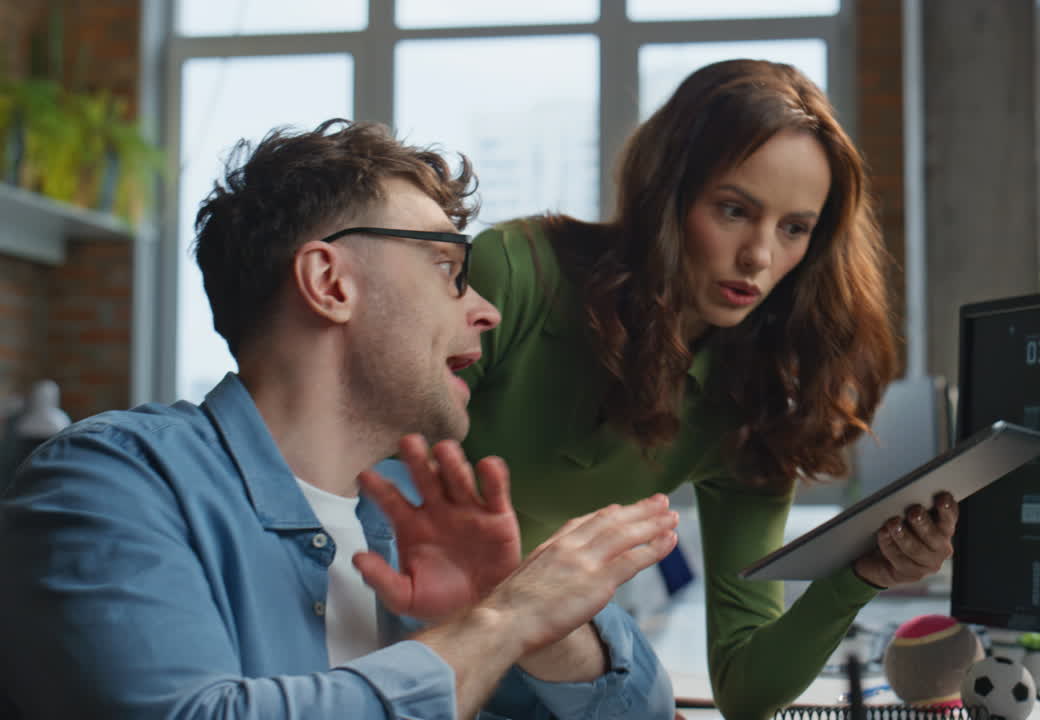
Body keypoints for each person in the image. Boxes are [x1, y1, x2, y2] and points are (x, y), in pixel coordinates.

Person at [0, 120, 681, 720]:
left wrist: (532, 623)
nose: (486, 310)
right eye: (448, 267)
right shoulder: (111, 483)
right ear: (330, 284)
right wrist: (503, 621)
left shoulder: (418, 517)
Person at [450, 60, 959, 719]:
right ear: (670, 194)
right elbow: (360, 492)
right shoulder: (516, 274)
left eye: (793, 228)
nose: (759, 256)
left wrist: (862, 575)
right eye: (733, 210)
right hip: (385, 622)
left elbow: (746, 690)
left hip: (526, 659)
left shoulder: (753, 401)